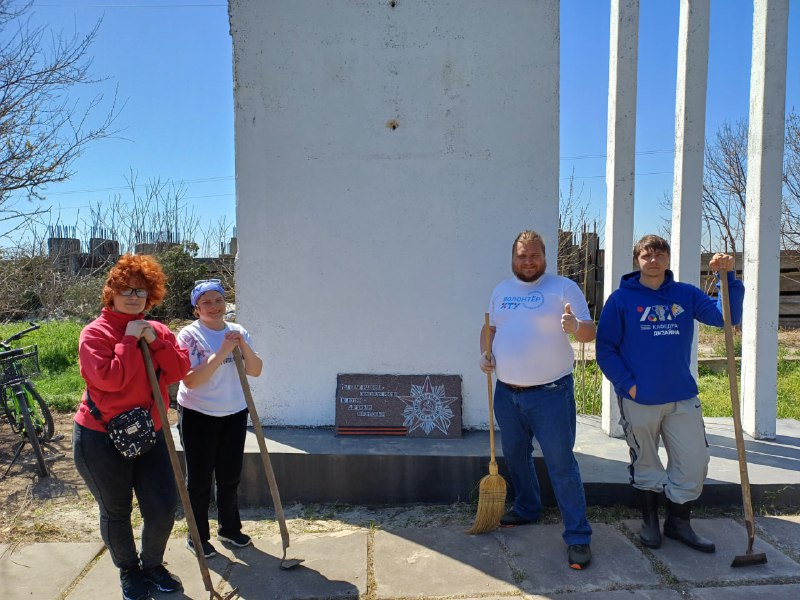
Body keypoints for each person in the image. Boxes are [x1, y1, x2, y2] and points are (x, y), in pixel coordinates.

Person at [596, 235, 744, 553]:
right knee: (646, 462)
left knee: (694, 461)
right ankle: (650, 522)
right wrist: (629, 385)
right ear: (637, 260)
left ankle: (678, 523)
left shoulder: (685, 294)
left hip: (681, 396)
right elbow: (605, 349)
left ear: (668, 258)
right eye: (646, 255)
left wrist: (727, 278)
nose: (653, 261)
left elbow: (726, 318)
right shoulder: (621, 300)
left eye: (659, 254)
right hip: (639, 399)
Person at [73, 254, 191, 600]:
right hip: (101, 437)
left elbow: (179, 370)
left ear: (150, 296)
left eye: (141, 291)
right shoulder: (95, 334)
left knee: (163, 507)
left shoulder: (159, 331)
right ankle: (129, 570)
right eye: (126, 289)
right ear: (111, 291)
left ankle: (152, 565)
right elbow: (110, 380)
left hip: (151, 433)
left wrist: (154, 340)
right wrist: (127, 340)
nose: (133, 297)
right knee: (116, 510)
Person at [480, 230, 596, 570]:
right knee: (516, 455)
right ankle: (528, 508)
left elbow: (589, 332)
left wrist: (574, 326)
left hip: (551, 394)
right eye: (522, 256)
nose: (528, 262)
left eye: (534, 255)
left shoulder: (563, 288)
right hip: (507, 393)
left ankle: (578, 536)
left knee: (561, 464)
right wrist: (485, 353)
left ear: (545, 257)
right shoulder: (501, 290)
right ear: (513, 258)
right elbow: (490, 329)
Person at [176, 279, 263, 559]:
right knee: (199, 480)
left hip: (234, 412)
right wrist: (223, 351)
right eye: (206, 302)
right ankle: (197, 536)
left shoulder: (237, 330)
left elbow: (255, 370)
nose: (214, 307)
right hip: (198, 414)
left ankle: (230, 529)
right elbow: (191, 381)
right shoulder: (189, 335)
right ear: (196, 308)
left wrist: (242, 345)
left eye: (218, 300)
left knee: (229, 475)